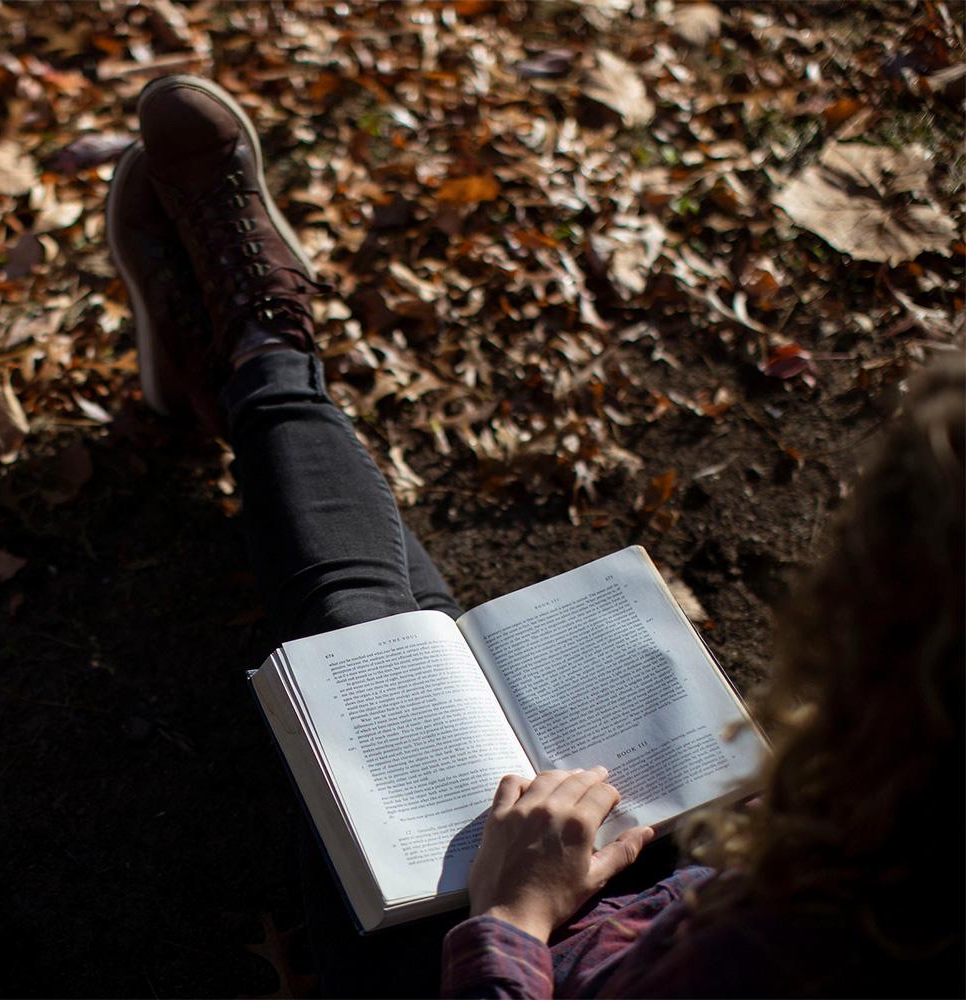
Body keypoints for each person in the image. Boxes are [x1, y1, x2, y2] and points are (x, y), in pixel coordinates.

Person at [106, 76, 965, 998]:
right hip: (681, 882)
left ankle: (257, 355)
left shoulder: (809, 949)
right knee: (418, 649)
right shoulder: (905, 818)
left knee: (362, 638)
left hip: (513, 968)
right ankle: (253, 363)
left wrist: (511, 920)